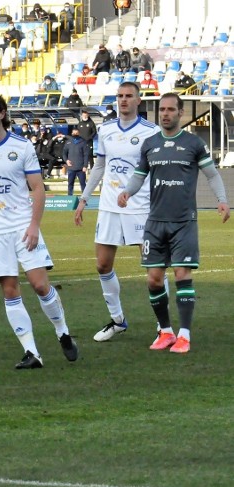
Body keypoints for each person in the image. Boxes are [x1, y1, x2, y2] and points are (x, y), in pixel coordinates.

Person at [0, 92, 78, 369]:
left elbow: (37, 188)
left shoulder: (22, 146)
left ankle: (63, 332)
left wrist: (34, 225)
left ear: (2, 113)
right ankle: (32, 352)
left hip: (23, 226)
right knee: (10, 291)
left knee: (39, 285)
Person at [117, 92, 229, 353]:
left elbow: (212, 175)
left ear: (180, 113)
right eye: (162, 110)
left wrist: (222, 200)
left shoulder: (193, 144)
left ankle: (185, 335)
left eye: (170, 109)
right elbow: (138, 176)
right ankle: (166, 332)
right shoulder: (150, 144)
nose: (165, 114)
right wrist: (127, 191)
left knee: (181, 274)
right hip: (155, 221)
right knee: (154, 279)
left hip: (183, 222)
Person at [74, 81, 161, 342]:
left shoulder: (151, 131)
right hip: (109, 206)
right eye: (120, 96)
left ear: (138, 100)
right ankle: (118, 320)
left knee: (153, 267)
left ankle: (163, 325)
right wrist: (84, 199)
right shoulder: (107, 129)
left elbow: (158, 170)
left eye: (128, 96)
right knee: (102, 264)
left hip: (141, 207)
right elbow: (100, 166)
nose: (123, 100)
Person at [63, 128, 88, 195]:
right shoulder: (68, 142)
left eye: (76, 133)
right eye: (74, 133)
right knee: (70, 184)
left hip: (81, 168)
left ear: (79, 133)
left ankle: (84, 199)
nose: (75, 134)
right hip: (71, 167)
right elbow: (64, 153)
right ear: (71, 134)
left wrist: (85, 166)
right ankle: (70, 198)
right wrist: (66, 160)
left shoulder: (83, 142)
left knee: (83, 184)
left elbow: (86, 155)